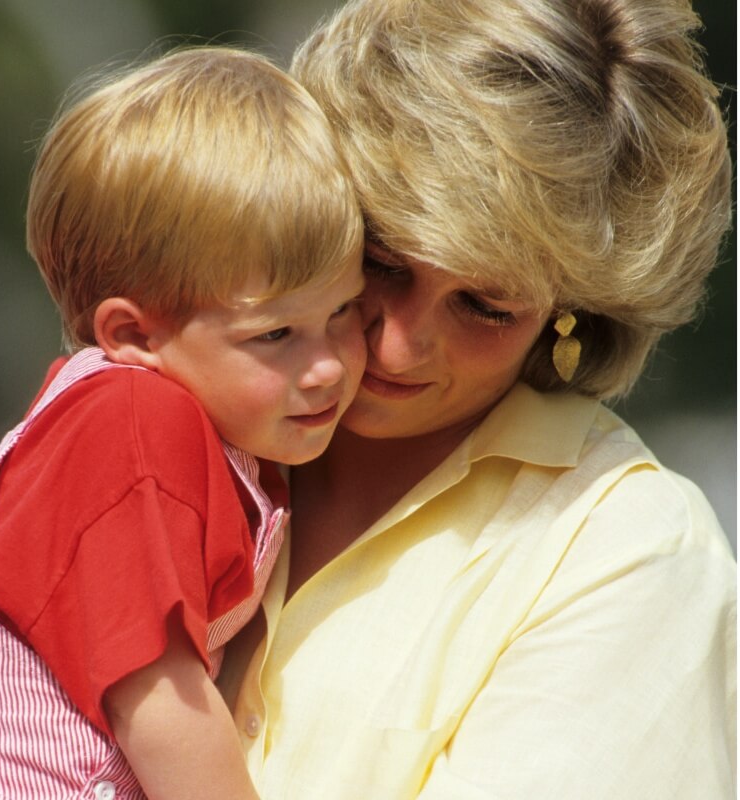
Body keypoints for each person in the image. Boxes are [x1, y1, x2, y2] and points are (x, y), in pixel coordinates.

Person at [219, 0, 735, 797]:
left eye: (486, 307)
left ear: (574, 310)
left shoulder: (629, 552)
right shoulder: (172, 408)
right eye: (381, 259)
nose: (395, 345)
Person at [0, 47, 365, 799]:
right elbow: (158, 697)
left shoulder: (179, 420)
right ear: (133, 336)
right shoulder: (129, 423)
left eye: (345, 313)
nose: (328, 364)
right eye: (276, 335)